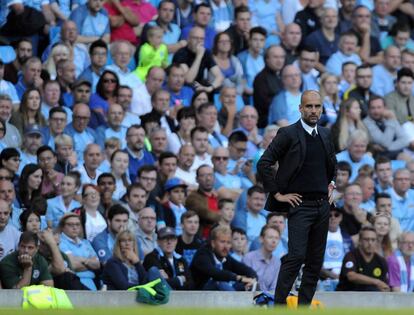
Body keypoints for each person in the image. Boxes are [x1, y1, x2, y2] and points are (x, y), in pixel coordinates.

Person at [257, 90, 337, 305]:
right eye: (309, 106)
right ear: (300, 108)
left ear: (322, 109)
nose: (313, 110)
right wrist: (277, 194)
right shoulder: (288, 133)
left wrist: (332, 184)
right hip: (300, 205)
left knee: (315, 262)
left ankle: (303, 308)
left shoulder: (326, 134)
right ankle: (280, 306)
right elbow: (264, 163)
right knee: (296, 257)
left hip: (322, 206)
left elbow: (331, 164)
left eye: (317, 106)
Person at [336, 226, 390, 291]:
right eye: (366, 239)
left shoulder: (381, 261)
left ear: (377, 242)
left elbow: (384, 285)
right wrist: (376, 282)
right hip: (347, 297)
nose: (370, 243)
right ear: (360, 241)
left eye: (373, 240)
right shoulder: (351, 256)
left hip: (372, 298)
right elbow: (351, 276)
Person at [58, 213, 100, 290]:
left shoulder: (85, 243)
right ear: (62, 227)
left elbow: (97, 264)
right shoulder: (60, 242)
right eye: (70, 224)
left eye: (77, 224)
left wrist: (83, 260)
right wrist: (90, 264)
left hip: (91, 282)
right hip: (73, 283)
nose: (75, 227)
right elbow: (72, 265)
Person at [242, 225, 281, 293]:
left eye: (276, 238)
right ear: (261, 239)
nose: (274, 241)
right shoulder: (248, 258)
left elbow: (274, 288)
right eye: (270, 237)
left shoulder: (277, 262)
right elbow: (246, 285)